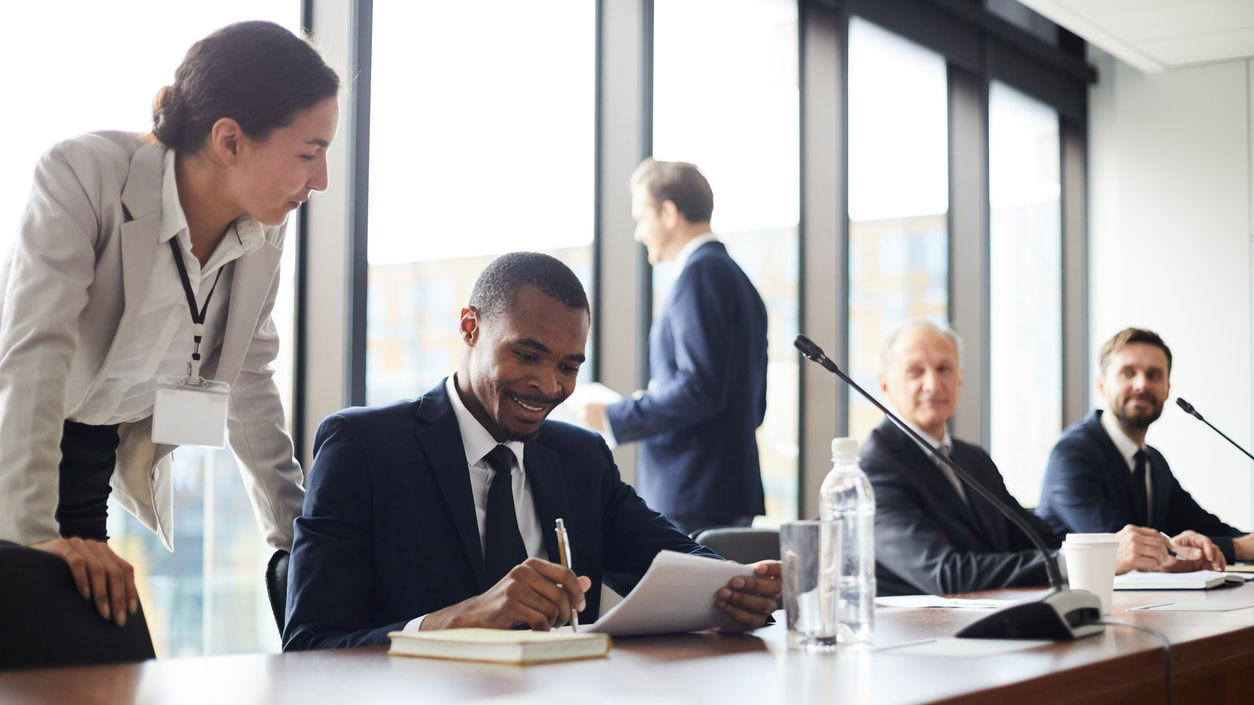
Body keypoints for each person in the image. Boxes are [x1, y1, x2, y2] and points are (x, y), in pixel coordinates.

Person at [0, 21, 339, 628]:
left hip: (84, 460)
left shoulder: (264, 226)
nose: (321, 181)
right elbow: (34, 353)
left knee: (97, 666)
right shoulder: (82, 174)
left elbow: (250, 380)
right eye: (308, 154)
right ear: (230, 140)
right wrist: (26, 540)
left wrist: (303, 545)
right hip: (14, 448)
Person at [282, 252, 780, 650]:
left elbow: (676, 562)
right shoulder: (364, 449)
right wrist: (460, 620)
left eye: (568, 366)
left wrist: (738, 589)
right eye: (526, 355)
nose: (548, 385)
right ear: (470, 328)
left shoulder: (581, 457)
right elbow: (310, 644)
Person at [863, 321, 1210, 596]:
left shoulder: (972, 459)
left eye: (943, 369)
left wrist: (1156, 549)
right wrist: (1089, 562)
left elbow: (1037, 539)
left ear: (960, 381)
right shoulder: (875, 467)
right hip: (917, 649)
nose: (932, 383)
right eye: (915, 371)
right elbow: (946, 574)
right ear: (884, 385)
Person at [573, 159, 768, 534]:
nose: (638, 233)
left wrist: (616, 416)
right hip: (718, 487)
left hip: (695, 490)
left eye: (641, 217)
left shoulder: (700, 275)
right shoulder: (737, 279)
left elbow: (700, 389)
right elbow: (747, 402)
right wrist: (660, 397)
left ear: (668, 213)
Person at [1037, 327, 1245, 566]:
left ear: (1167, 388)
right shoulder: (1072, 454)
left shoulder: (1153, 462)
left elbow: (1205, 527)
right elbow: (1123, 546)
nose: (1141, 384)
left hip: (1141, 600)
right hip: (1076, 599)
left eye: (1154, 375)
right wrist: (1239, 548)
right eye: (1128, 373)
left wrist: (1245, 542)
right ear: (1102, 385)